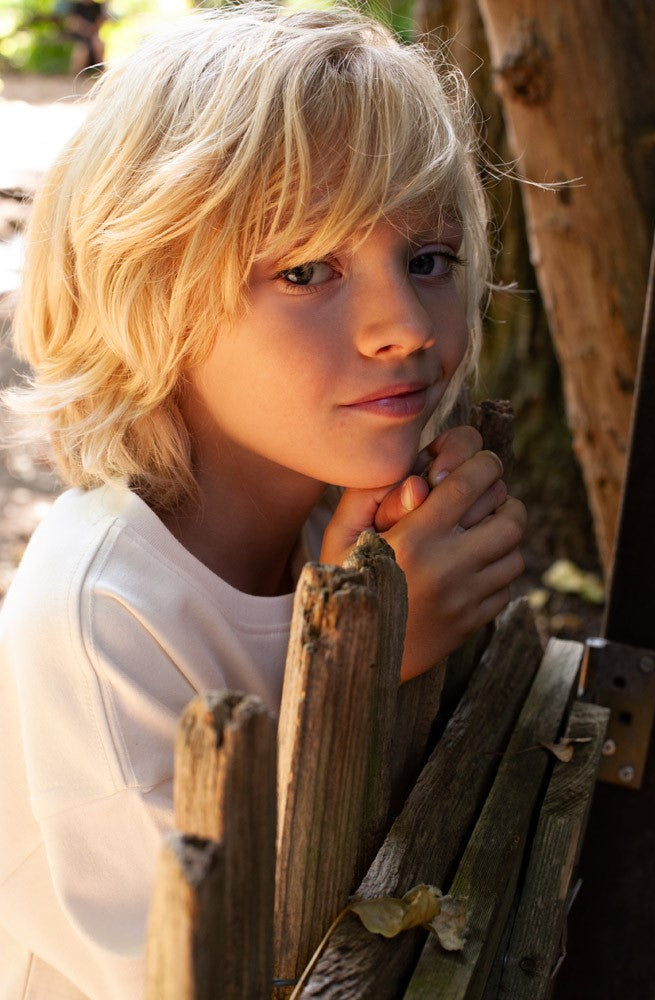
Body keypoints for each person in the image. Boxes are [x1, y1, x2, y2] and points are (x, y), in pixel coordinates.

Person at [0, 4, 526, 997]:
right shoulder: (102, 615)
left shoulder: (343, 514)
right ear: (148, 294)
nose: (406, 326)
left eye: (427, 260)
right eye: (305, 271)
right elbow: (192, 968)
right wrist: (369, 660)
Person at [62, 0, 107, 75]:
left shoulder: (97, 6)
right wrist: (85, 29)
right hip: (79, 34)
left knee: (99, 45)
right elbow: (72, 22)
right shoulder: (76, 6)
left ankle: (101, 71)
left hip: (93, 34)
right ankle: (77, 73)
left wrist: (92, 29)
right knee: (82, 49)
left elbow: (101, 20)